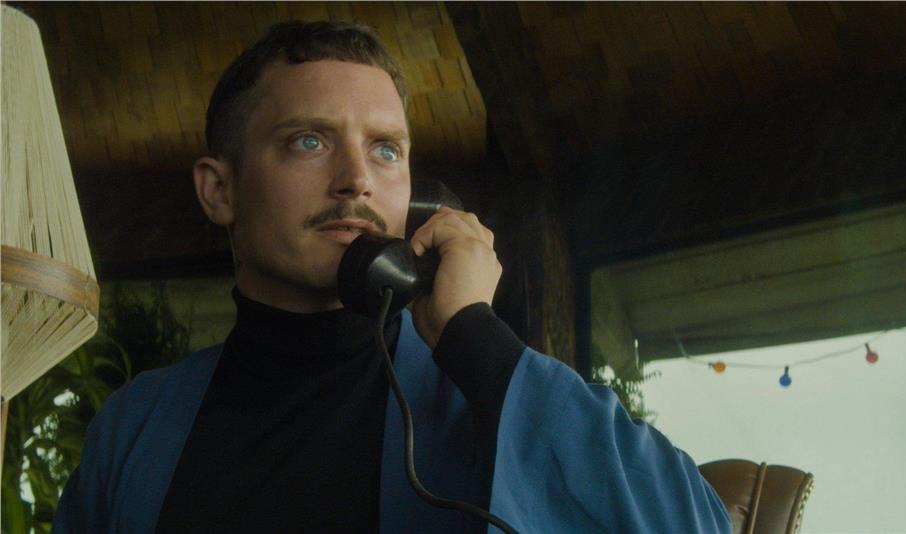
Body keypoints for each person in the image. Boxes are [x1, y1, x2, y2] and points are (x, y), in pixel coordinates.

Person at [52, 20, 731, 534]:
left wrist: (476, 337)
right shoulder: (134, 426)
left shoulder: (479, 394)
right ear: (219, 189)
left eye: (386, 150)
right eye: (309, 141)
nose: (357, 180)